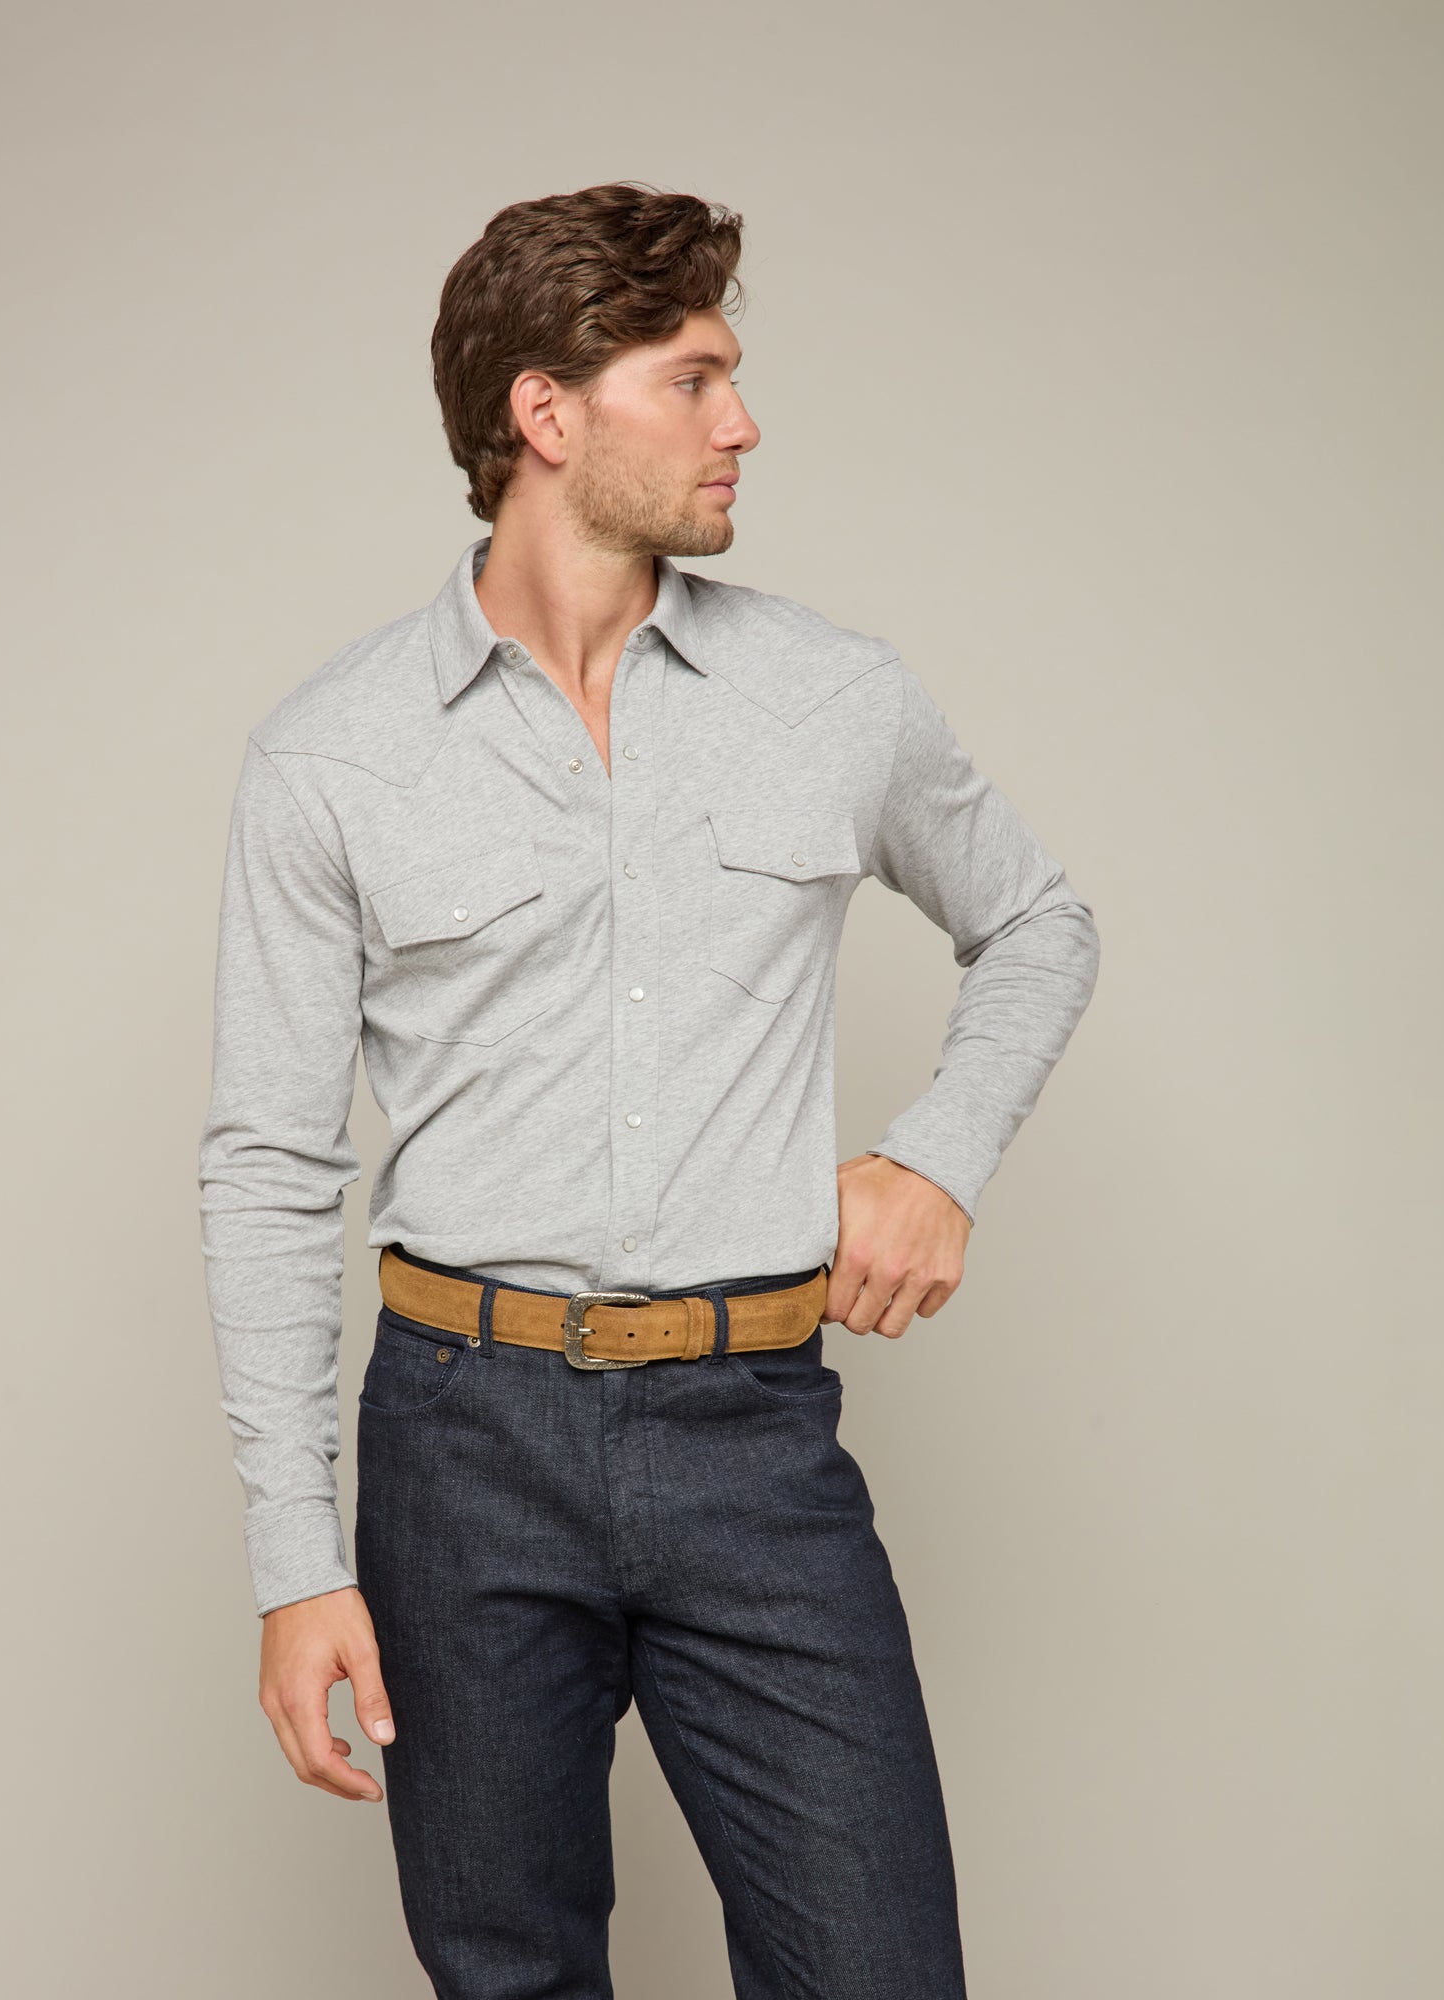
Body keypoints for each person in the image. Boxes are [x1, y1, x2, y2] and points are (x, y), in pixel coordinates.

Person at [197, 180, 1100, 1999]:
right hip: (461, 1450)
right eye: (692, 380)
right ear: (546, 413)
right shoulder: (331, 757)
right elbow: (270, 1166)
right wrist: (298, 1566)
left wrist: (937, 1158)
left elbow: (1040, 923)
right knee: (511, 1978)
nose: (740, 423)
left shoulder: (833, 698)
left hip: (751, 1435)